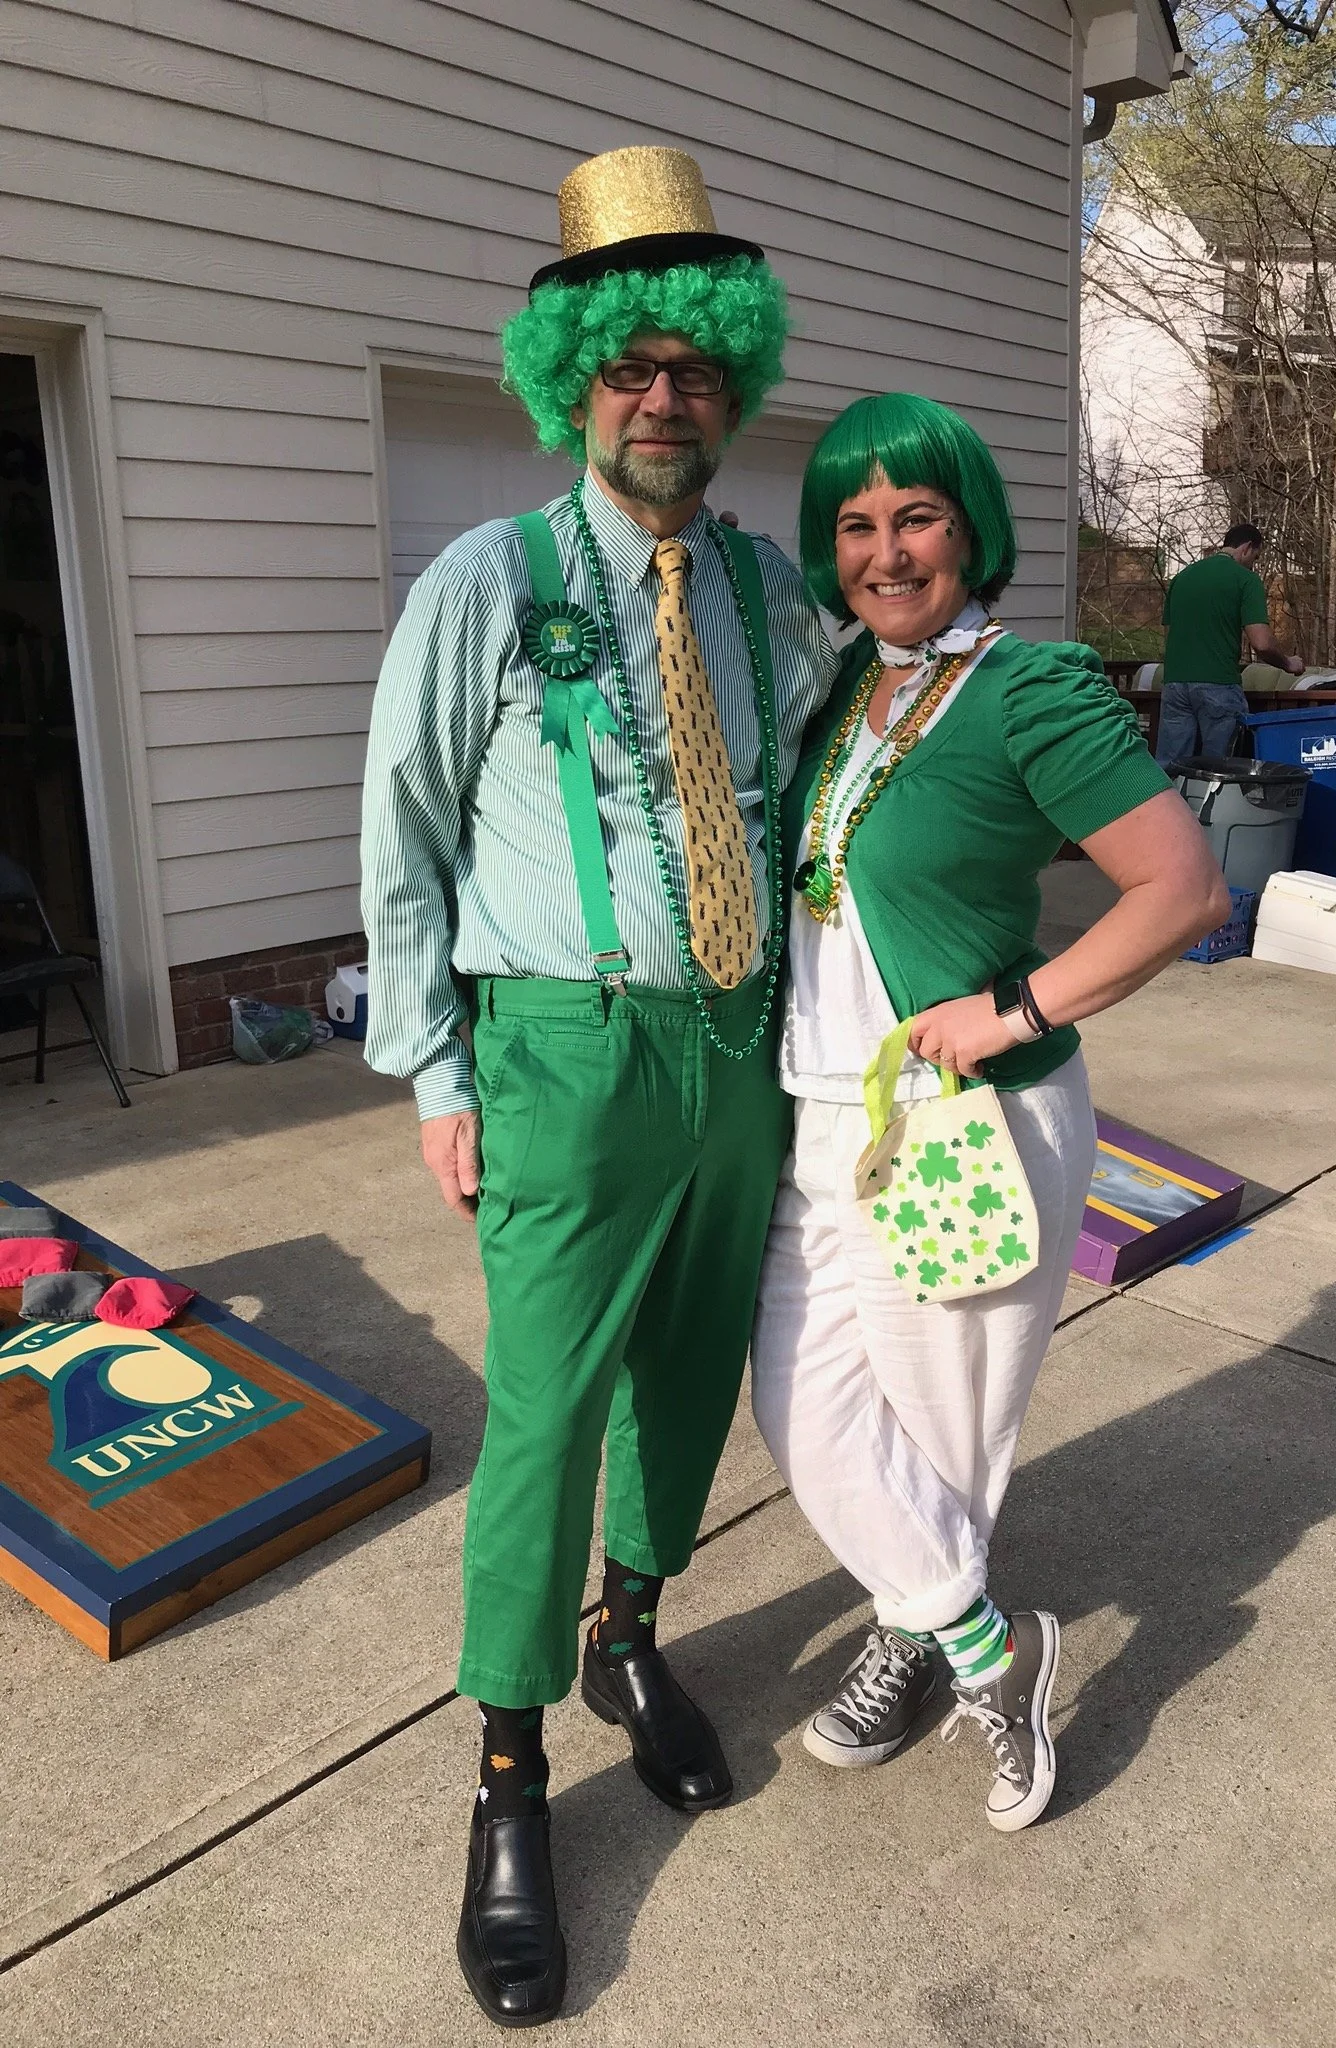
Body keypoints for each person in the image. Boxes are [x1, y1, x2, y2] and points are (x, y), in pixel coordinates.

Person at [360, 147, 835, 2028]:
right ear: (573, 380)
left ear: (732, 382)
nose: (663, 399)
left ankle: (632, 1636)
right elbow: (403, 832)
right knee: (544, 1421)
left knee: (691, 1377)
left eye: (694, 368)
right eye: (629, 367)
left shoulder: (767, 587)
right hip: (565, 1050)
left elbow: (812, 792)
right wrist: (434, 1067)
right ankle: (508, 1775)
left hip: (739, 1041)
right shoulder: (489, 579)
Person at [750, 394, 1228, 1832]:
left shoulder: (1031, 689)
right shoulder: (845, 682)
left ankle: (915, 1643)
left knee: (943, 1432)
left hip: (961, 1123)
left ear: (969, 531)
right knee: (804, 1407)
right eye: (855, 525)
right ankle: (981, 1639)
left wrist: (1018, 1008)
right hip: (817, 1113)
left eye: (917, 518)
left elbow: (1183, 888)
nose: (885, 552)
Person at [1155, 522, 1304, 763]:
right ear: (1247, 548)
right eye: (1255, 557)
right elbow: (1262, 643)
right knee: (1221, 768)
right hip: (1218, 684)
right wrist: (1288, 663)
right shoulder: (1245, 580)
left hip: (1175, 684)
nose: (1253, 564)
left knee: (1171, 766)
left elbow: (1170, 633)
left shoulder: (1182, 577)